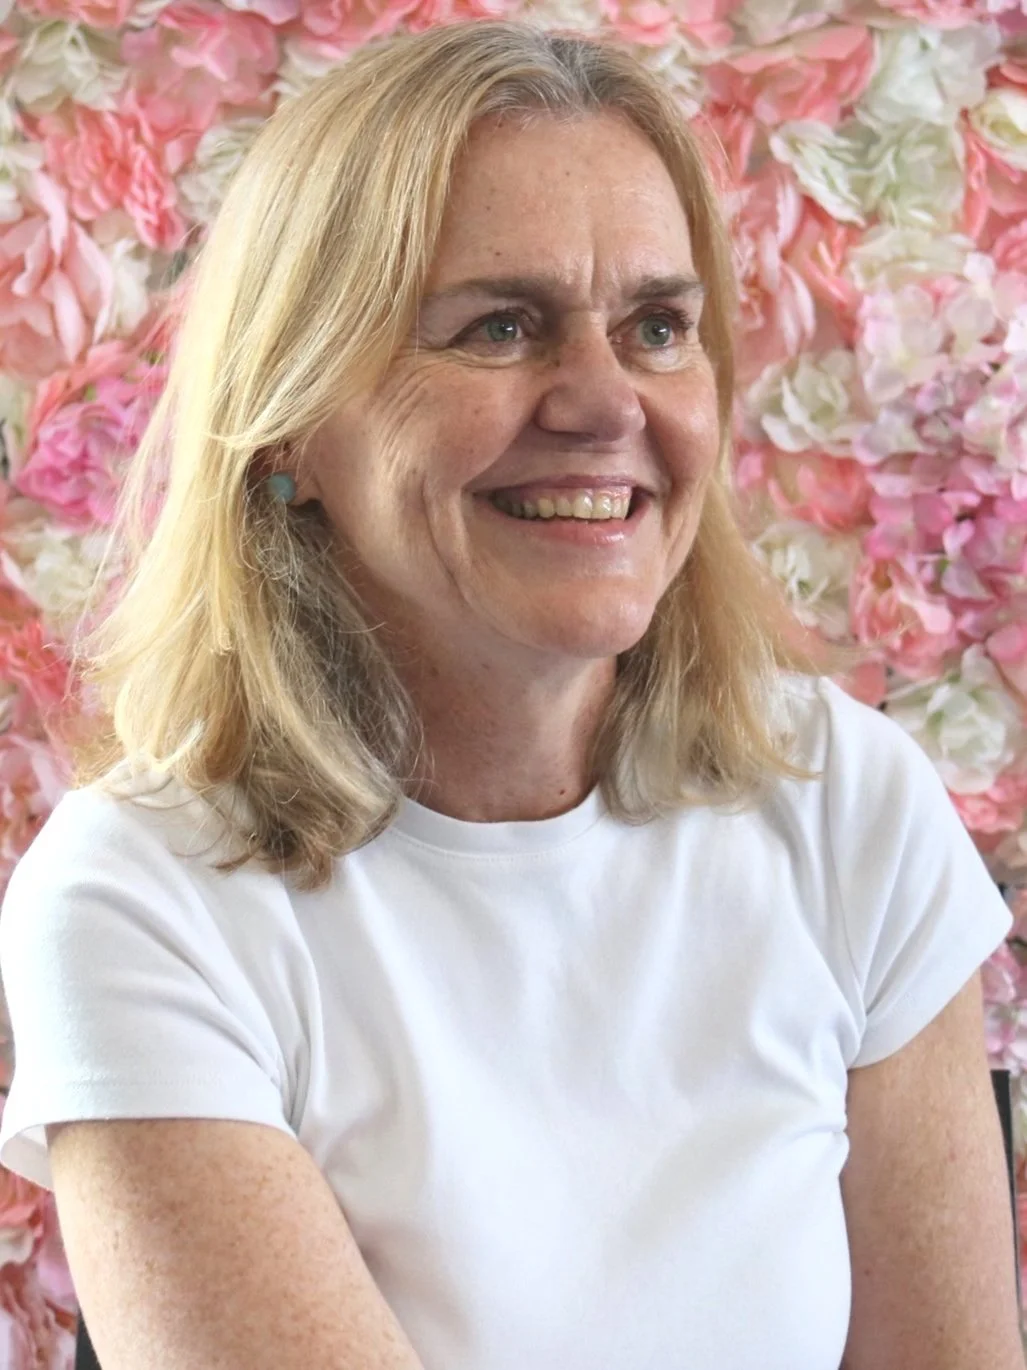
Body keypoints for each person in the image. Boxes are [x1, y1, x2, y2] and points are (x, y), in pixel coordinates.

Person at [0, 19, 1022, 1370]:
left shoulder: (848, 804)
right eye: (500, 326)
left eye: (656, 327)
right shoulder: (143, 899)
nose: (605, 402)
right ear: (292, 421)